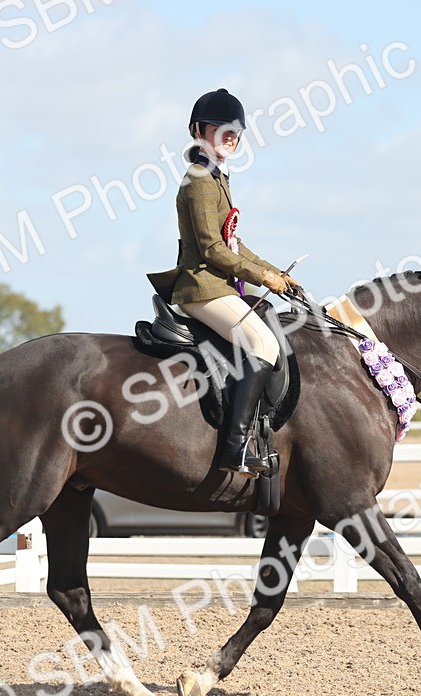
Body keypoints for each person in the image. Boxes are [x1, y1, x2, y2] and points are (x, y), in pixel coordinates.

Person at [147, 88, 300, 477]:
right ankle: (236, 447)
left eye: (236, 131)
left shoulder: (217, 177)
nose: (231, 136)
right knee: (263, 344)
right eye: (222, 129)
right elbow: (213, 250)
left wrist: (275, 272)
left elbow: (236, 244)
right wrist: (262, 276)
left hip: (220, 286)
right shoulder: (199, 179)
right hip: (202, 287)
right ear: (199, 131)